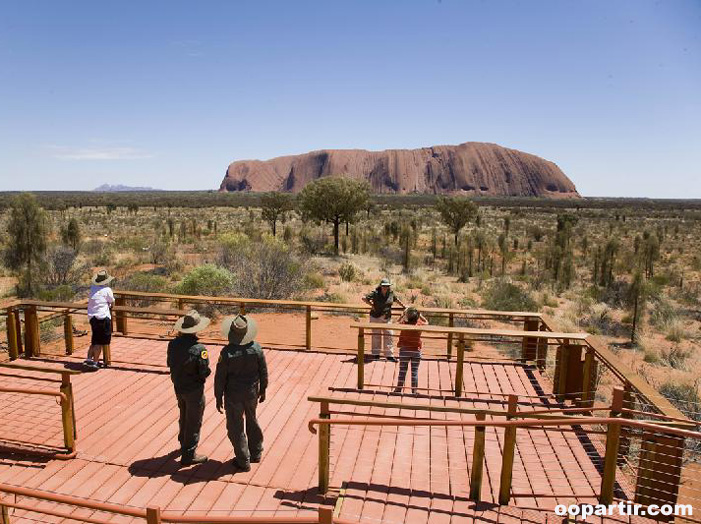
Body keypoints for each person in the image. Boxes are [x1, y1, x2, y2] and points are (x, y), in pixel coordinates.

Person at [215, 314, 268, 472]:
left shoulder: (226, 353)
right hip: (251, 393)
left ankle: (243, 460)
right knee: (252, 420)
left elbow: (220, 378)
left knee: (235, 426)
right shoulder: (257, 349)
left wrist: (218, 397)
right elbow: (263, 372)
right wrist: (263, 389)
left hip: (233, 396)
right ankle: (256, 452)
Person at [167, 309, 211, 466]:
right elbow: (204, 371)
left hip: (178, 386)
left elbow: (170, 364)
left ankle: (182, 441)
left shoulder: (172, 344)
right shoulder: (200, 349)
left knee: (184, 413)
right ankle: (189, 454)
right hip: (194, 390)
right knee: (194, 420)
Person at [362, 278, 405, 361]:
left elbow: (397, 300)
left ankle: (389, 355)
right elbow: (364, 298)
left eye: (387, 286)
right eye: (384, 286)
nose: (385, 287)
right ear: (381, 286)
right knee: (376, 335)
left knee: (389, 334)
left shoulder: (391, 293)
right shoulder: (375, 293)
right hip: (375, 316)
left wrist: (404, 306)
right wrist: (372, 305)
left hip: (386, 317)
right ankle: (376, 354)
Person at [393, 307, 429, 395]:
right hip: (416, 351)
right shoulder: (419, 324)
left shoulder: (404, 324)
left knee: (402, 370)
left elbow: (395, 323)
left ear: (407, 317)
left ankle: (398, 388)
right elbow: (427, 323)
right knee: (414, 372)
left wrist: (402, 315)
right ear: (417, 317)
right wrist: (420, 315)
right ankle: (414, 390)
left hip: (404, 350)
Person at [84, 270, 115, 369]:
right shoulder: (107, 290)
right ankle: (95, 362)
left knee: (94, 339)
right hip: (102, 318)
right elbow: (112, 301)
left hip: (93, 317)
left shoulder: (93, 288)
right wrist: (110, 305)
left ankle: (89, 359)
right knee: (100, 342)